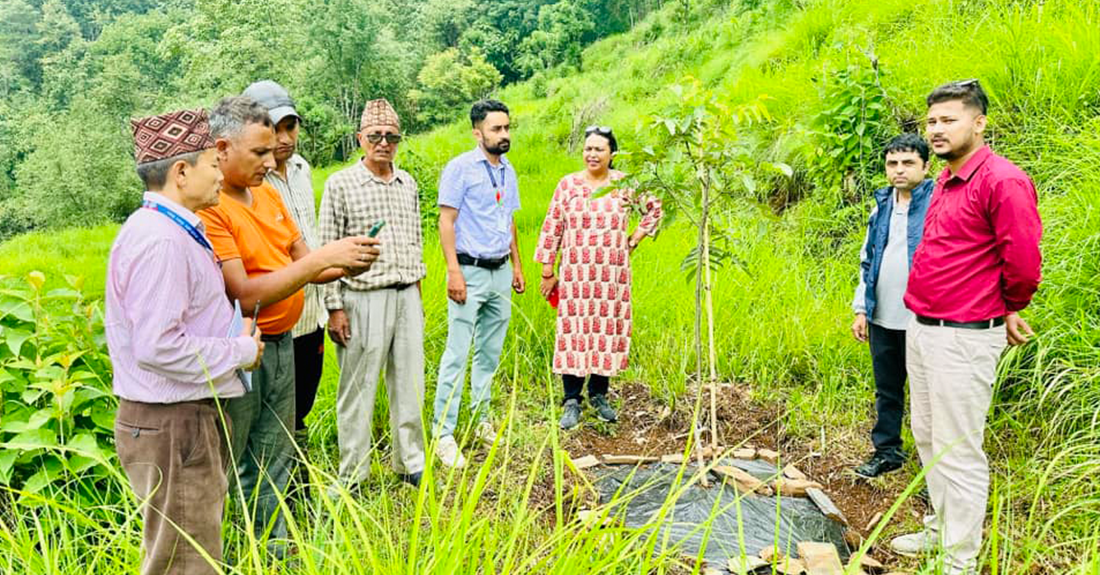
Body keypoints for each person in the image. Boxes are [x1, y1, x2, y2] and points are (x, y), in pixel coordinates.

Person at [198, 95, 377, 557]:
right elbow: (244, 292)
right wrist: (322, 259)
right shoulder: (212, 207)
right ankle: (222, 551)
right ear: (221, 149)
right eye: (258, 151)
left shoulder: (269, 194)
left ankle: (275, 551)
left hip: (283, 343)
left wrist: (346, 262)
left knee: (276, 449)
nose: (271, 157)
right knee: (234, 457)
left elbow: (304, 265)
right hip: (240, 351)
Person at [891, 80, 1042, 574]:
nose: (936, 129)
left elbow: (1022, 263)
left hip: (964, 334)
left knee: (959, 447)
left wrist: (1008, 305)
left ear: (979, 123)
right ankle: (940, 530)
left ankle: (960, 559)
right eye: (931, 121)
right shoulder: (942, 180)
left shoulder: (1002, 181)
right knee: (929, 435)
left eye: (948, 120)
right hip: (924, 326)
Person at [107, 108, 264, 575]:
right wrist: (240, 351)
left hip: (178, 421)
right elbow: (157, 346)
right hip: (174, 423)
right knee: (185, 563)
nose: (221, 175)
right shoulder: (162, 242)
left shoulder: (168, 231)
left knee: (183, 552)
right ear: (181, 172)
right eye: (212, 165)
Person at [319, 99, 427, 488]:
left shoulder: (407, 182)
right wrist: (334, 307)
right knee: (358, 388)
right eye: (376, 136)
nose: (384, 143)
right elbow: (327, 245)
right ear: (360, 138)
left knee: (411, 383)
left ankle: (410, 462)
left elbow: (415, 241)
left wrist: (417, 295)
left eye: (391, 137)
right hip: (361, 297)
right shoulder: (341, 183)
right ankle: (353, 473)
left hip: (406, 295)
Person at [534, 126, 663, 429]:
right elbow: (552, 227)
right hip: (576, 276)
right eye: (588, 148)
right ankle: (571, 400)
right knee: (573, 332)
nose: (592, 154)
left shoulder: (625, 185)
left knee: (606, 332)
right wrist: (548, 271)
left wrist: (635, 237)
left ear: (611, 155)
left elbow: (655, 208)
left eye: (599, 150)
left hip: (611, 278)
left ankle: (599, 395)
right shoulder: (567, 186)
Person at [433, 99, 526, 468]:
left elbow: (510, 220)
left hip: (499, 270)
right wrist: (453, 272)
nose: (504, 135)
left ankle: (480, 418)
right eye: (496, 129)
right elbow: (446, 222)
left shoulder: (508, 170)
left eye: (507, 128)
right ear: (478, 133)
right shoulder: (460, 169)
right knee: (457, 353)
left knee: (489, 351)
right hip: (469, 271)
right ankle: (444, 433)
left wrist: (517, 266)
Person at [243, 80, 327, 444]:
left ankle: (298, 479)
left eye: (289, 127)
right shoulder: (249, 184)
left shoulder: (302, 169)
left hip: (312, 314)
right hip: (275, 323)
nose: (284, 139)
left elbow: (309, 239)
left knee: (303, 404)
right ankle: (288, 490)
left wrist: (332, 306)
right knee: (275, 415)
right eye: (273, 129)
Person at [850, 133, 933, 478]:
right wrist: (861, 309)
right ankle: (887, 452)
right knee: (887, 388)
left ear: (926, 166)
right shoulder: (881, 205)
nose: (899, 170)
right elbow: (867, 259)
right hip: (883, 314)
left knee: (930, 393)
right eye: (892, 164)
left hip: (924, 318)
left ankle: (936, 466)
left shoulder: (937, 202)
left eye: (908, 163)